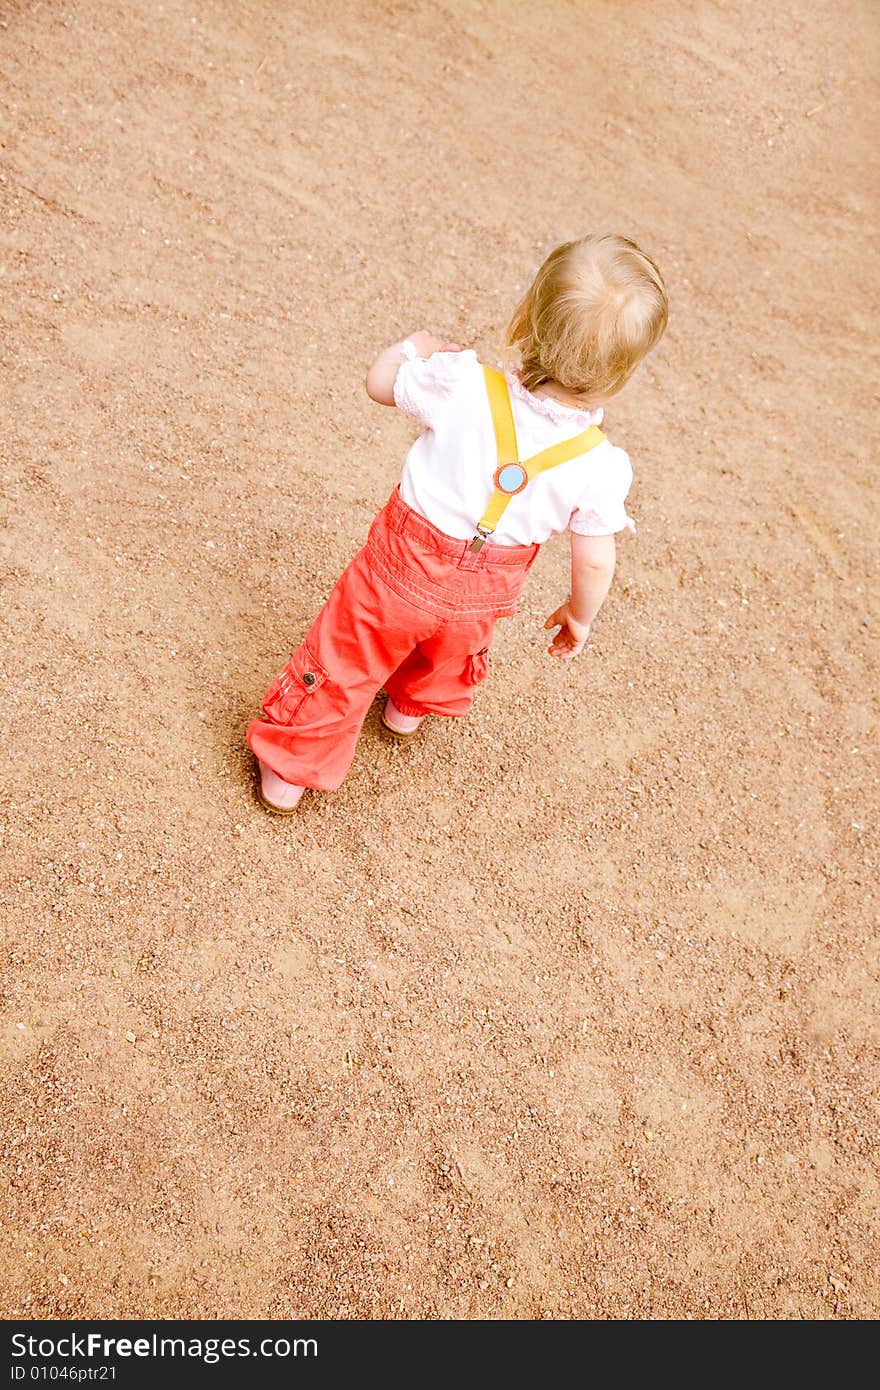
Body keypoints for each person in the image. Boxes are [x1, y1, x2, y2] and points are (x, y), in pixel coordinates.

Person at [247, 233, 668, 812]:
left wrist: (409, 349)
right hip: (484, 595)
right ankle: (407, 709)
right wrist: (579, 615)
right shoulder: (602, 465)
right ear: (621, 374)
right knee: (446, 649)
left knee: (349, 655)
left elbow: (379, 384)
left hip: (395, 573)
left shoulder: (462, 383)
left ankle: (289, 772)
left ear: (526, 321)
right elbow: (595, 558)